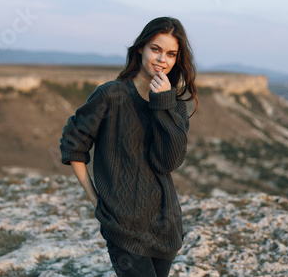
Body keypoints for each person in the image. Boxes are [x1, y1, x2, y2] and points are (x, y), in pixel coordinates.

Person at [60, 16, 198, 276]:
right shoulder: (111, 94)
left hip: (164, 225)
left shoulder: (174, 104)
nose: (162, 60)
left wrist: (163, 103)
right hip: (122, 225)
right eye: (155, 49)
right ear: (141, 48)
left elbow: (167, 162)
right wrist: (95, 199)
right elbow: (73, 143)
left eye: (171, 54)